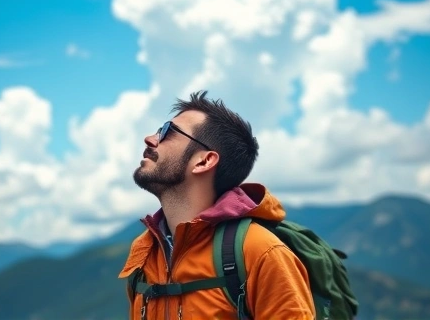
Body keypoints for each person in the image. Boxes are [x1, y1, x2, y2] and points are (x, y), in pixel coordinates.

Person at [119, 91, 315, 320]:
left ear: (204, 160)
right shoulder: (144, 252)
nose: (150, 138)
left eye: (167, 131)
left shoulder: (260, 251)